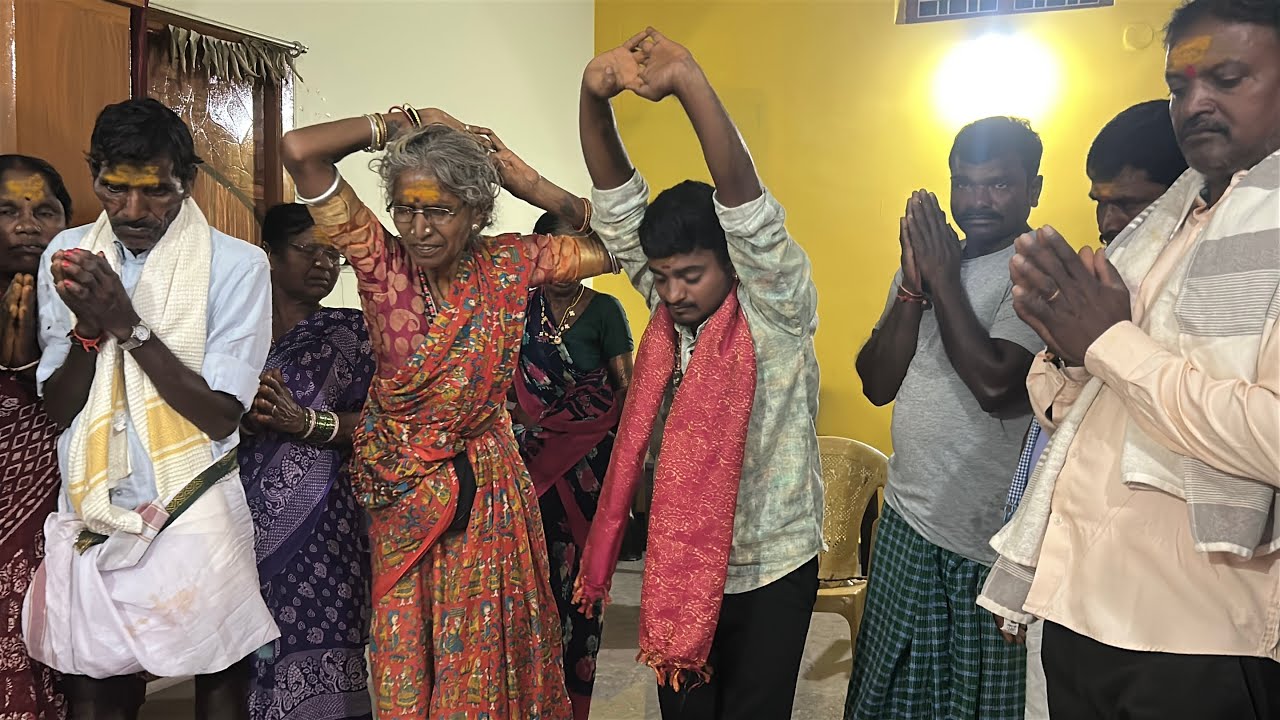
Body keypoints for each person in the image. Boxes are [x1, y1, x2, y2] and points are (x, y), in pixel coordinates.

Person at [979, 0, 1280, 716]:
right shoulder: (1162, 225)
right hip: (1080, 604)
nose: (1196, 104)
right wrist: (1065, 346)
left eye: (1228, 78)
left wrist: (1107, 343)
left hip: (1198, 631)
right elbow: (1080, 409)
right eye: (1180, 87)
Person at [279, 105, 622, 720]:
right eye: (406, 208)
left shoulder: (513, 264)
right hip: (400, 494)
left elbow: (627, 242)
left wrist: (531, 184)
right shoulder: (380, 267)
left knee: (484, 653)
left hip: (486, 491)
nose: (420, 227)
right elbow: (301, 149)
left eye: (439, 210)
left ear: (477, 212)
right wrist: (402, 120)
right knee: (404, 653)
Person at [575, 29, 824, 720]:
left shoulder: (775, 309)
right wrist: (594, 94)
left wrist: (688, 83)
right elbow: (618, 203)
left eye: (691, 274)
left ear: (732, 266)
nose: (675, 292)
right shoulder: (665, 318)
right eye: (662, 277)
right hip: (683, 561)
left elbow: (748, 211)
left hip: (772, 563)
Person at [23, 98, 279, 719]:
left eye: (155, 192)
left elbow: (220, 414)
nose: (132, 211)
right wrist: (88, 332)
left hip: (193, 499)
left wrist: (127, 326)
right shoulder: (67, 252)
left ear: (186, 182)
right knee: (96, 687)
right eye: (113, 189)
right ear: (95, 178)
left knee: (216, 675)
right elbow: (59, 409)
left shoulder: (237, 265)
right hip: (94, 499)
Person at [847, 117, 1048, 720]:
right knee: (890, 691)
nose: (977, 201)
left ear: (1034, 189)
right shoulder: (925, 266)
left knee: (972, 700)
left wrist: (943, 279)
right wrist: (913, 288)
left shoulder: (1035, 270)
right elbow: (876, 383)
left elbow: (995, 383)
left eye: (999, 185)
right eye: (964, 183)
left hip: (982, 540)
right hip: (908, 517)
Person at [995, 100, 1188, 720]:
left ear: (1186, 196)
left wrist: (1110, 344)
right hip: (1079, 564)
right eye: (1099, 200)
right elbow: (1057, 416)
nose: (1108, 220)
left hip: (1171, 587)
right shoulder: (1104, 275)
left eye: (1130, 203)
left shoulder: (1205, 291)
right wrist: (1071, 349)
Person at [238, 203, 376, 720]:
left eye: (333, 254)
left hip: (327, 530)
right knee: (239, 663)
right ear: (270, 254)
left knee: (329, 647)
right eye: (308, 249)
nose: (322, 262)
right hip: (234, 519)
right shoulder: (233, 326)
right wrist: (241, 419)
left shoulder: (353, 333)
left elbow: (382, 424)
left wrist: (306, 423)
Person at [512, 211, 633, 720]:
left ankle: (571, 704)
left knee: (580, 584)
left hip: (587, 466)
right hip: (526, 464)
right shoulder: (519, 305)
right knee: (524, 579)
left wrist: (631, 471)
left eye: (572, 248)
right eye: (551, 247)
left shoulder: (606, 310)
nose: (561, 260)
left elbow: (625, 392)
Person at [0, 154, 71, 720]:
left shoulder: (87, 304)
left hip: (50, 516)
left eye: (43, 210)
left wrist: (27, 364)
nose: (27, 225)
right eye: (7, 211)